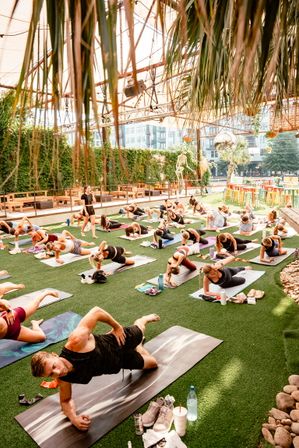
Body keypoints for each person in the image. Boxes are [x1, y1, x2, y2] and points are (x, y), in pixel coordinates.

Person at [30, 307, 160, 430]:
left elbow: (96, 311)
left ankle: (143, 319)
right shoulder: (63, 378)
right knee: (153, 364)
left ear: (54, 355)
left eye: (54, 366)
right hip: (120, 362)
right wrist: (73, 418)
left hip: (119, 340)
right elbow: (65, 400)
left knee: (140, 329)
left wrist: (117, 327)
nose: (58, 372)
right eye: (51, 374)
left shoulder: (76, 341)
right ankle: (139, 348)